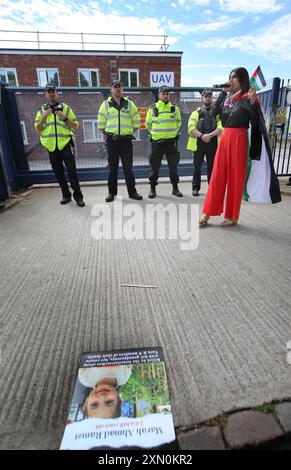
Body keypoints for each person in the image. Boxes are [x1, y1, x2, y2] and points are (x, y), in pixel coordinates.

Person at [199, 67, 281, 227]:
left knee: (236, 178)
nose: (231, 80)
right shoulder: (227, 98)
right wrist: (223, 93)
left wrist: (251, 101)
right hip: (225, 138)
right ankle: (207, 212)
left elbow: (255, 120)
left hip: (239, 138)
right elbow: (213, 112)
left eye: (234, 77)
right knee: (217, 176)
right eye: (230, 77)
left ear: (242, 79)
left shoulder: (248, 96)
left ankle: (232, 216)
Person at [34, 84, 85, 207]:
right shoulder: (41, 110)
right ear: (45, 94)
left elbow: (75, 126)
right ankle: (66, 195)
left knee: (72, 172)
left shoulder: (66, 108)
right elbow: (38, 128)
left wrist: (65, 118)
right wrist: (44, 117)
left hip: (65, 145)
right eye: (49, 92)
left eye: (53, 91)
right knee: (59, 174)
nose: (51, 94)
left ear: (57, 93)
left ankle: (78, 197)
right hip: (52, 147)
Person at [97, 80, 142, 202]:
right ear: (111, 90)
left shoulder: (129, 104)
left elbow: (137, 122)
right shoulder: (105, 105)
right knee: (113, 169)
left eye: (119, 87)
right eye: (115, 87)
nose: (117, 89)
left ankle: (132, 192)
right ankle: (112, 193)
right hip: (112, 141)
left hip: (126, 142)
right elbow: (101, 124)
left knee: (128, 168)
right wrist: (110, 134)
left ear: (122, 89)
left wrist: (126, 133)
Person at [146, 86, 183, 198]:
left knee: (173, 167)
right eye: (163, 93)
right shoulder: (152, 108)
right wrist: (156, 135)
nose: (165, 95)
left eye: (167, 93)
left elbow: (178, 123)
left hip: (171, 143)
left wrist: (171, 134)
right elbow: (148, 124)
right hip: (157, 144)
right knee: (154, 168)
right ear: (159, 95)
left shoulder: (174, 108)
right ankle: (152, 189)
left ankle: (175, 189)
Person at [187, 89, 223, 196]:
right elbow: (190, 128)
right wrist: (202, 136)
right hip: (199, 143)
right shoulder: (195, 113)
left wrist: (210, 135)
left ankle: (212, 189)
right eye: (206, 96)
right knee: (197, 167)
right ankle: (195, 188)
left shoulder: (218, 113)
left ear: (212, 98)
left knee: (212, 168)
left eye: (210, 96)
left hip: (213, 143)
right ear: (202, 98)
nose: (208, 98)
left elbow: (222, 127)